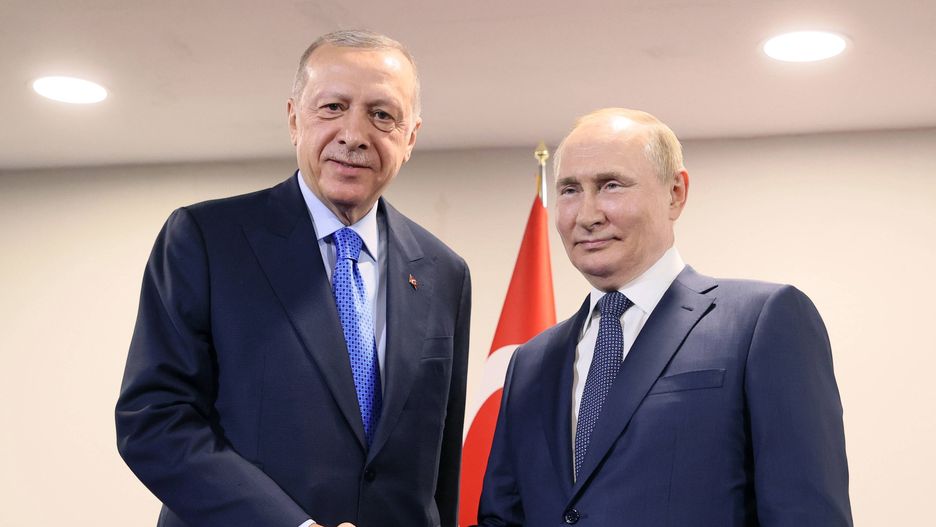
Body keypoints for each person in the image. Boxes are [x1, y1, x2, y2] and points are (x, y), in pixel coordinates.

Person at [116, 30, 471, 527]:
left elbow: (440, 465)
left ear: (410, 137)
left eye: (382, 114)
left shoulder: (445, 272)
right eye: (332, 107)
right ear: (293, 120)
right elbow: (154, 421)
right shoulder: (205, 240)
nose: (353, 134)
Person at [476, 108, 852, 526]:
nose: (586, 214)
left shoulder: (762, 321)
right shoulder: (530, 362)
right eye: (569, 190)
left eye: (611, 185)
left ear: (676, 193)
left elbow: (806, 514)